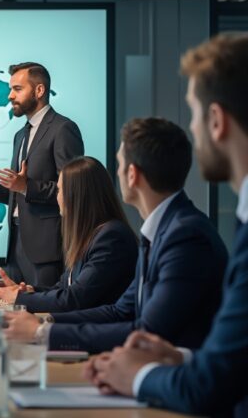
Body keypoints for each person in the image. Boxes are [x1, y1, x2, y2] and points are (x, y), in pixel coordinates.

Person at [85, 33, 248, 417]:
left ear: (216, 120)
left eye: (193, 113)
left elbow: (212, 385)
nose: (192, 130)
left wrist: (136, 376)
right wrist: (182, 358)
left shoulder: (186, 235)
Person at [4, 117, 228, 354]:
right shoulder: (164, 229)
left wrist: (42, 332)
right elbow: (120, 311)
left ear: (132, 175)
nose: (117, 174)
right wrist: (45, 324)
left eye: (119, 165)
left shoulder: (184, 236)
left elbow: (148, 332)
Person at [0, 62, 84, 288]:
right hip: (16, 245)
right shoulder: (20, 135)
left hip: (47, 250)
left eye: (17, 89)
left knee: (43, 314)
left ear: (39, 91)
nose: (9, 96)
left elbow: (73, 190)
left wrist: (27, 186)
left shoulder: (63, 129)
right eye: (10, 89)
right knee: (16, 314)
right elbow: (18, 191)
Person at [0, 156, 137, 313]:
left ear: (77, 195)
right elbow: (62, 288)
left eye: (60, 190)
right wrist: (27, 291)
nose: (57, 196)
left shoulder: (111, 238)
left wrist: (18, 299)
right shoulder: (94, 235)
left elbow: (74, 299)